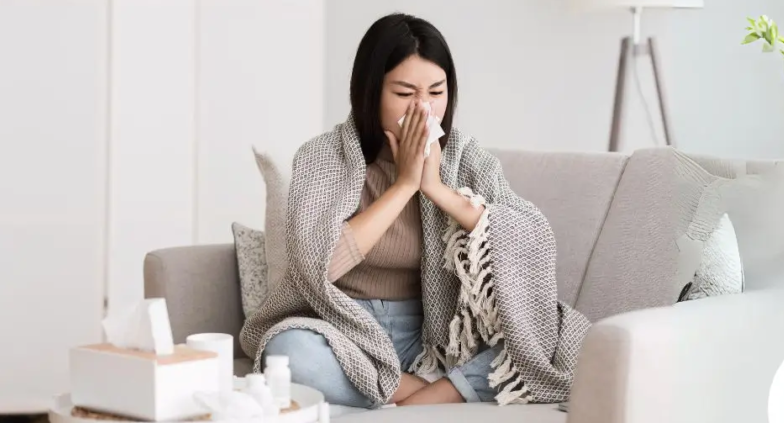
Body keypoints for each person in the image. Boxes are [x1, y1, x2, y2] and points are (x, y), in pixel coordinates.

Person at [239, 12, 590, 410]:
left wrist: (436, 189)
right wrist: (404, 184)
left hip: (432, 338)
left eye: (436, 92)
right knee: (289, 354)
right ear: (371, 93)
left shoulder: (466, 156)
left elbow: (528, 237)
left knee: (553, 338)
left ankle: (402, 389)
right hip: (341, 327)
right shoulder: (323, 157)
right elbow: (318, 265)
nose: (424, 109)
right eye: (405, 94)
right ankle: (428, 393)